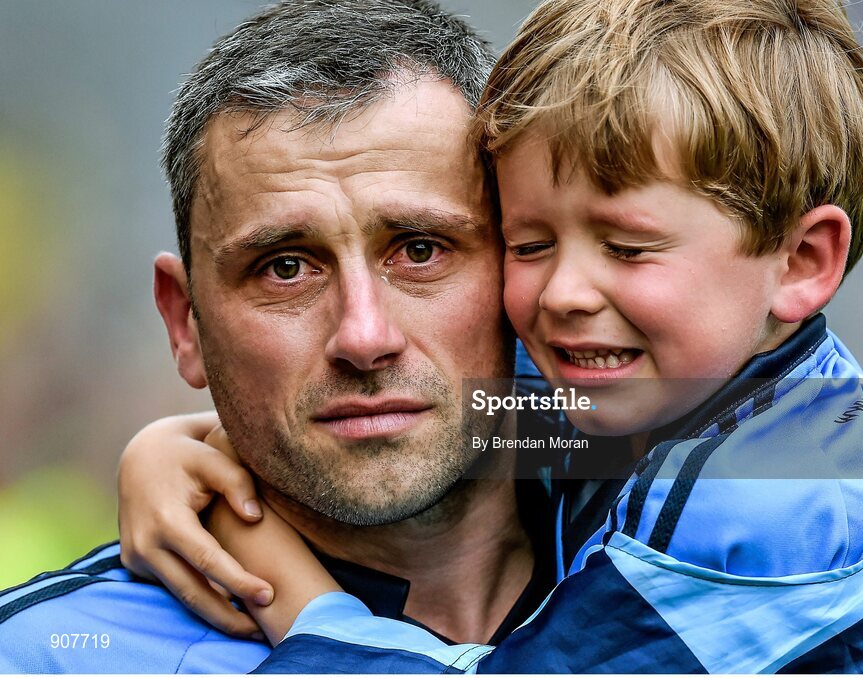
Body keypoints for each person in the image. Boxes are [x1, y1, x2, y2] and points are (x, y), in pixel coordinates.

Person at [116, 0, 863, 673]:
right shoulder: (690, 405)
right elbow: (476, 425)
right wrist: (186, 446)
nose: (563, 293)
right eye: (529, 244)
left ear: (801, 261)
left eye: (628, 246)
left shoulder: (763, 501)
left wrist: (290, 586)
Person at [0, 1, 560, 672]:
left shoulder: (692, 548)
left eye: (419, 250)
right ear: (185, 322)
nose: (364, 335)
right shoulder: (46, 659)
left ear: (527, 263)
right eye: (286, 268)